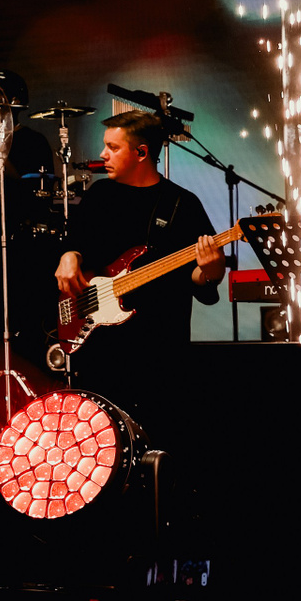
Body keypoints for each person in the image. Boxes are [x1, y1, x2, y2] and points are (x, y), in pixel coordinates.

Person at [54, 110, 226, 416]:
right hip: (99, 348)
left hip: (160, 352)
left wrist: (211, 271)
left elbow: (198, 278)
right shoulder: (99, 195)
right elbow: (75, 242)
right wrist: (69, 256)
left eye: (113, 147)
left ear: (142, 153)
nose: (102, 154)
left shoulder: (182, 204)